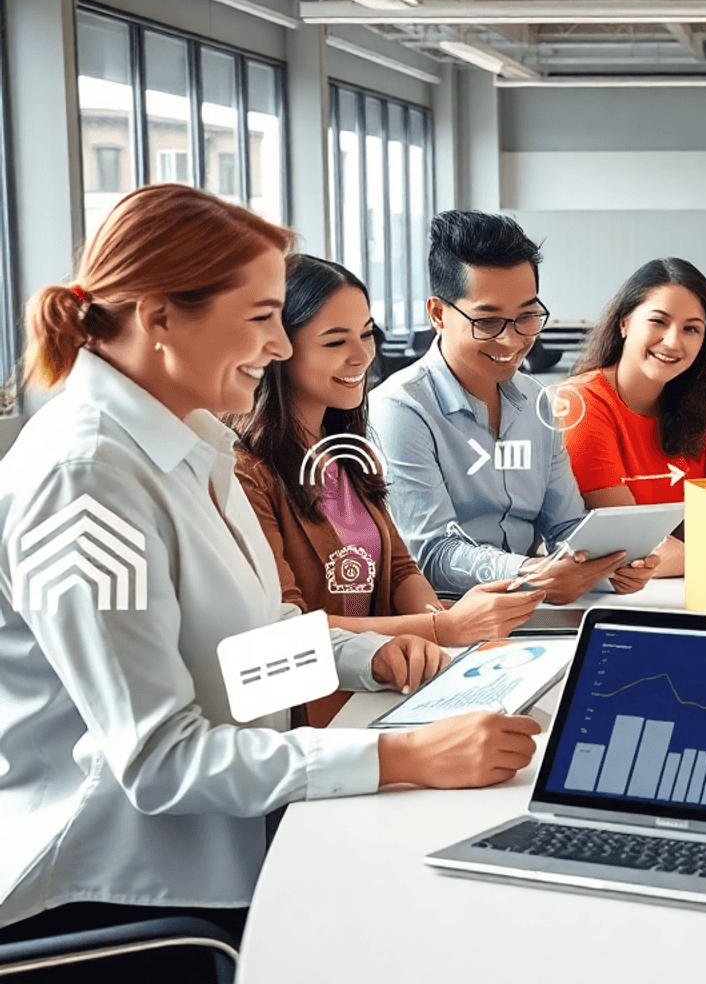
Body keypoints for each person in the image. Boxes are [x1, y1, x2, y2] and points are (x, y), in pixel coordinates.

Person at [0, 186, 540, 955]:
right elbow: (160, 761)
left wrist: (371, 656)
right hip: (121, 901)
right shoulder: (84, 482)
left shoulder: (190, 447)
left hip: (226, 853)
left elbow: (251, 652)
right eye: (260, 319)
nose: (282, 347)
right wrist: (402, 756)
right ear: (158, 317)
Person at [231, 255, 544, 726]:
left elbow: (398, 570)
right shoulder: (247, 472)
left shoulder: (347, 453)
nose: (361, 355)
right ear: (278, 348)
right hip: (311, 720)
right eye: (336, 341)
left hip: (384, 697)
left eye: (366, 333)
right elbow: (284, 628)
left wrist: (455, 633)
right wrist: (444, 626)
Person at [368, 211, 654, 603]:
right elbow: (432, 555)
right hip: (447, 617)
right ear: (437, 314)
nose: (511, 341)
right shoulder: (399, 409)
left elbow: (565, 525)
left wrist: (611, 564)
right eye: (487, 322)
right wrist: (534, 572)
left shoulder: (536, 399)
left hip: (530, 606)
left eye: (527, 317)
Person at [561, 258, 706, 578]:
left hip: (682, 589)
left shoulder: (705, 410)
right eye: (659, 321)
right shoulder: (580, 404)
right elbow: (630, 546)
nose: (673, 341)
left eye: (691, 329)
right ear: (624, 323)